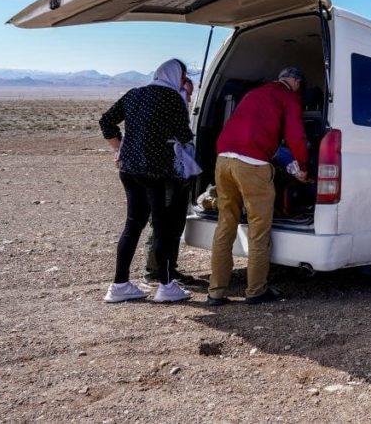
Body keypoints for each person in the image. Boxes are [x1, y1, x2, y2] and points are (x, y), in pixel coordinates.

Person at [208, 67, 309, 306]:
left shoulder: (255, 93)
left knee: (226, 225)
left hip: (223, 160)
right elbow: (295, 135)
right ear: (294, 81)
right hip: (252, 163)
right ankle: (256, 290)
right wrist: (302, 165)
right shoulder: (288, 96)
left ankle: (216, 292)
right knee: (259, 228)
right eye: (300, 85)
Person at [100, 58, 195, 303]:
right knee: (162, 226)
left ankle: (119, 284)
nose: (183, 83)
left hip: (129, 169)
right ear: (177, 76)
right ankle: (165, 286)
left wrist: (120, 148)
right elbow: (184, 135)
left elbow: (106, 121)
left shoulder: (134, 94)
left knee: (133, 225)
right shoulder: (171, 98)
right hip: (156, 171)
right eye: (183, 79)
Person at [143, 75, 194, 283]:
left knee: (174, 221)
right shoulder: (163, 112)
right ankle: (156, 270)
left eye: (191, 94)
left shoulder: (178, 112)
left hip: (177, 173)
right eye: (186, 93)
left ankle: (167, 268)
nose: (189, 99)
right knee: (161, 221)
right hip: (164, 174)